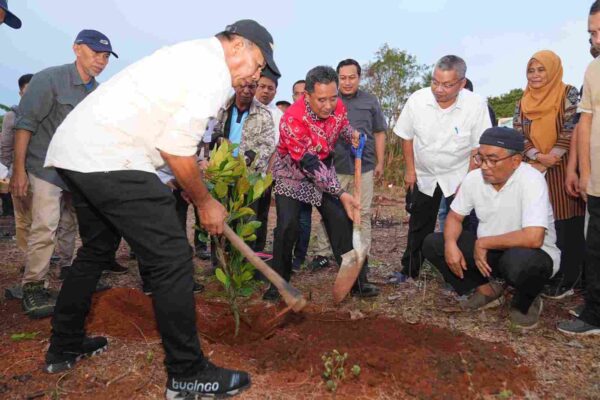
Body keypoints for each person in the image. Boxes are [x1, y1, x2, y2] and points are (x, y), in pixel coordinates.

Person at [42, 20, 280, 398]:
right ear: (237, 46)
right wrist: (205, 201)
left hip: (78, 151)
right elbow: (175, 146)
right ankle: (187, 373)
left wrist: (184, 183)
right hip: (109, 155)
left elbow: (164, 139)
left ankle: (64, 345)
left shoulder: (190, 55)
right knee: (171, 256)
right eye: (258, 62)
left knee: (96, 252)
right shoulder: (213, 69)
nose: (257, 73)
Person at [9, 30, 121, 319]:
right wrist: (18, 170)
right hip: (43, 167)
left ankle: (73, 275)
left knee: (77, 225)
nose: (101, 61)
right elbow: (25, 125)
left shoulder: (98, 93)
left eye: (106, 56)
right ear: (76, 49)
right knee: (45, 226)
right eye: (96, 53)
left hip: (76, 170)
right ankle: (34, 285)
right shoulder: (49, 80)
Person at [423, 127, 560, 329]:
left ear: (515, 161)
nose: (485, 166)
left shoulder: (531, 180)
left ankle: (526, 300)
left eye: (493, 160)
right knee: (434, 243)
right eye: (481, 158)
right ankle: (487, 292)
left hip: (532, 254)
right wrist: (451, 244)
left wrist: (484, 242)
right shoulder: (474, 179)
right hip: (489, 254)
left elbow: (534, 237)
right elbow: (454, 216)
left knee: (520, 263)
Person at [264, 65, 379, 301]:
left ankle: (357, 282)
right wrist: (340, 192)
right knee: (287, 227)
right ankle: (278, 285)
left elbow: (341, 126)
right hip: (293, 174)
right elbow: (309, 164)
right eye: (321, 100)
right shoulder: (291, 119)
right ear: (307, 95)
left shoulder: (337, 107)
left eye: (333, 97)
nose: (329, 105)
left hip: (324, 169)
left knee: (341, 221)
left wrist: (352, 135)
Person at [393, 55, 491, 280]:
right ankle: (410, 270)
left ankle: (460, 275)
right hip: (425, 175)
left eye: (447, 85)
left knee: (462, 226)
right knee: (419, 224)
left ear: (462, 83)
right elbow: (406, 137)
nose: (439, 89)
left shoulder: (475, 105)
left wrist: (468, 182)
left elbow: (478, 148)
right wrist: (410, 171)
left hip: (458, 175)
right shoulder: (417, 100)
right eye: (434, 82)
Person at [513, 50, 586, 299]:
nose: (535, 75)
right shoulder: (523, 101)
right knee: (541, 223)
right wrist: (536, 156)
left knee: (567, 224)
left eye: (541, 69)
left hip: (565, 168)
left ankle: (570, 278)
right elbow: (518, 133)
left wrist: (550, 159)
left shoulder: (568, 93)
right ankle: (549, 274)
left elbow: (572, 127)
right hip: (534, 168)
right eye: (531, 70)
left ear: (553, 70)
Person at [312, 59, 387, 275]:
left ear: (359, 78)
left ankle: (361, 255)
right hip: (333, 167)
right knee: (331, 212)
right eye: (342, 78)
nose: (347, 82)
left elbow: (379, 132)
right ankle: (322, 254)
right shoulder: (330, 101)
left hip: (363, 166)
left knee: (361, 211)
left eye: (351, 77)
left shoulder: (370, 101)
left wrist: (380, 162)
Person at [557, 1, 600, 336]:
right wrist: (583, 171)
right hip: (597, 179)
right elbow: (584, 123)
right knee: (595, 246)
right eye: (592, 33)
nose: (596, 39)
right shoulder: (593, 70)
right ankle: (594, 313)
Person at [211, 75, 276, 256]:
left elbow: (268, 145)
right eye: (243, 86)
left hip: (248, 176)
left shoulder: (263, 114)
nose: (247, 90)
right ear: (235, 85)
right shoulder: (221, 109)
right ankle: (220, 262)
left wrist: (248, 159)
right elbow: (208, 132)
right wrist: (218, 139)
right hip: (222, 174)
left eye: (251, 86)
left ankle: (244, 264)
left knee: (246, 221)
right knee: (220, 219)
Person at [1, 74, 33, 249]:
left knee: (44, 216)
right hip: (18, 172)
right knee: (22, 217)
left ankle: (43, 254)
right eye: (27, 92)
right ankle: (29, 257)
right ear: (20, 93)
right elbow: (5, 147)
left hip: (41, 172)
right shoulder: (11, 117)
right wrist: (4, 173)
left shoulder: (47, 113)